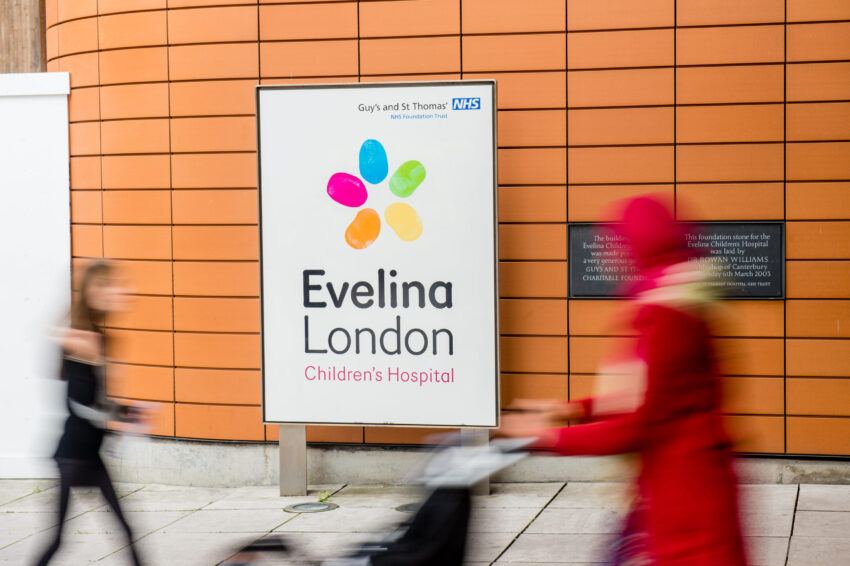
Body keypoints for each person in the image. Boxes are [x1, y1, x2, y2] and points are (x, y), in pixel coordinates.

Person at [503, 197, 747, 566]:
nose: (610, 255)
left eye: (619, 242)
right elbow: (656, 395)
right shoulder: (675, 297)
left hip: (687, 504)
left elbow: (638, 424)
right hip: (672, 490)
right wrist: (568, 408)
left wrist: (543, 435)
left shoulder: (667, 313)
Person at [34, 261, 144, 566]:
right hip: (73, 456)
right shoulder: (80, 337)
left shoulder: (96, 336)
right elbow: (78, 404)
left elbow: (99, 400)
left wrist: (127, 411)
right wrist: (120, 415)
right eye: (106, 285)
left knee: (125, 529)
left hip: (89, 454)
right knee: (58, 540)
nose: (115, 291)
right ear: (91, 293)